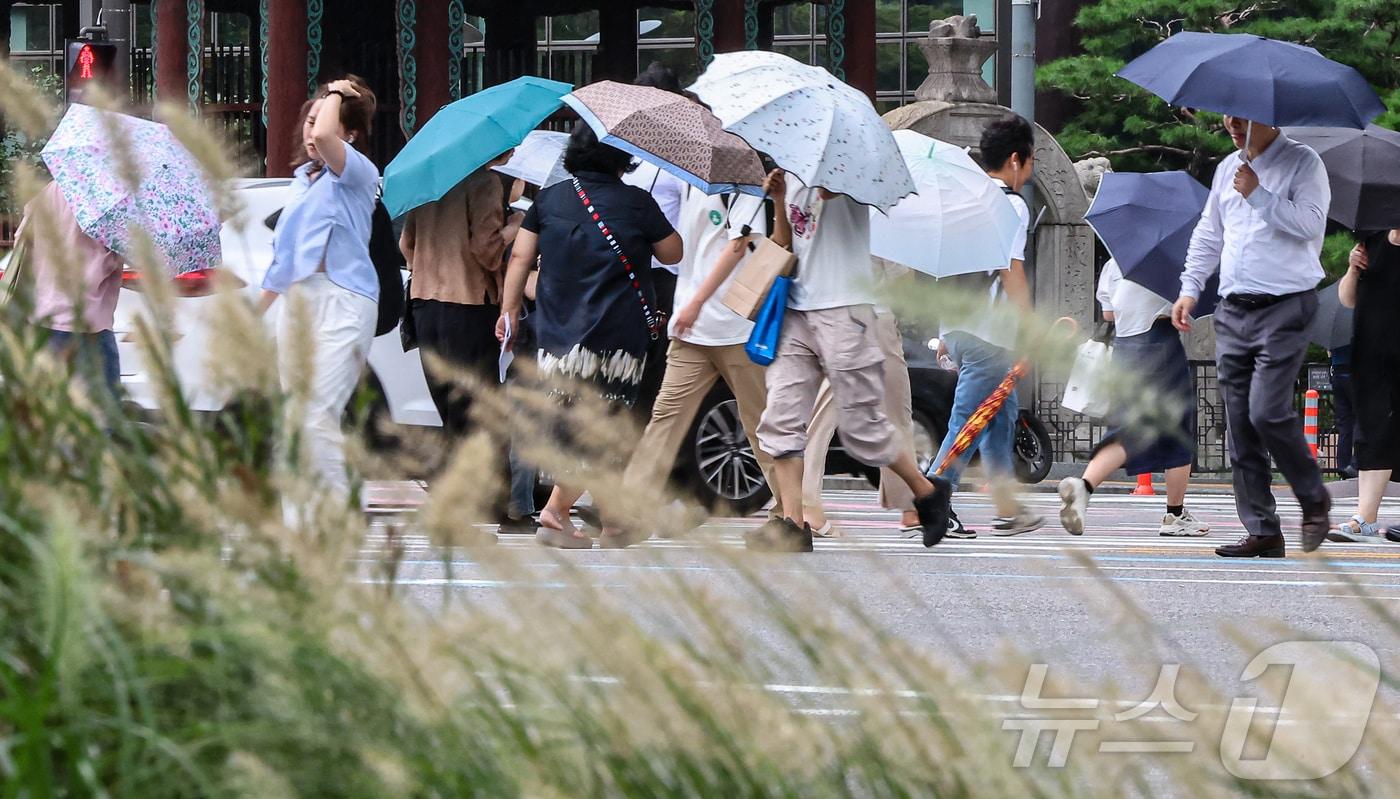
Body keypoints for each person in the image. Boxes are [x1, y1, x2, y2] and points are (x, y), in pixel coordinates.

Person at [496, 125, 682, 549]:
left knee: (574, 425)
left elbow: (522, 255)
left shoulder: (550, 199)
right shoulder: (637, 202)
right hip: (616, 339)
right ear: (623, 159)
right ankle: (556, 511)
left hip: (557, 335)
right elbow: (673, 253)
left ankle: (614, 522)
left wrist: (509, 311)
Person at [748, 169, 944, 553]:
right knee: (780, 419)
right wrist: (778, 200)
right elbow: (784, 244)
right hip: (796, 311)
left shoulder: (850, 172)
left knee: (863, 427)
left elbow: (833, 191)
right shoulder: (792, 177)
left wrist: (817, 172)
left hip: (845, 311)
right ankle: (792, 522)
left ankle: (928, 492)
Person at [1172, 116, 1332, 558]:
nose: (1231, 123)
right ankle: (1263, 529)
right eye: (1227, 113)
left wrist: (1258, 194)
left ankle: (1314, 498)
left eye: (1243, 115)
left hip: (1285, 304)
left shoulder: (1304, 163)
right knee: (1239, 424)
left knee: (1266, 412)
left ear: (1271, 116)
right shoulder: (1226, 168)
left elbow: (1310, 225)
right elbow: (1209, 233)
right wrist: (1189, 288)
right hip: (1233, 307)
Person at [604, 185, 782, 543]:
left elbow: (739, 246)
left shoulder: (744, 187)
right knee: (665, 417)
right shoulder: (692, 185)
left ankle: (792, 510)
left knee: (758, 421)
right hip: (690, 331)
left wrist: (696, 303)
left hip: (733, 326)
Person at [259, 78, 384, 516]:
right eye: (309, 122)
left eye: (324, 123)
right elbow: (284, 260)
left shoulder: (358, 174)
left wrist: (335, 92)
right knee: (295, 419)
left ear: (350, 134)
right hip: (298, 302)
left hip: (345, 301)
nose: (313, 133)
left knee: (318, 415)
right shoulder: (299, 184)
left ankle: (341, 508)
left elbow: (329, 136)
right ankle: (298, 522)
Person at [924, 114, 1044, 540]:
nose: (1029, 172)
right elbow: (1012, 272)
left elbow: (950, 270)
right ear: (1015, 160)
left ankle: (1009, 506)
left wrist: (944, 332)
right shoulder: (1010, 206)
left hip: (959, 328)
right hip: (989, 335)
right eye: (1030, 162)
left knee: (1001, 418)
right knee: (969, 422)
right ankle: (935, 497)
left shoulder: (965, 202)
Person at [1057, 259, 1210, 537]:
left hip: (1125, 346)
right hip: (1159, 341)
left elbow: (1109, 315)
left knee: (1128, 426)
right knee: (1176, 430)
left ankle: (1085, 486)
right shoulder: (1175, 261)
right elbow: (1185, 305)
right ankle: (1173, 514)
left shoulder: (1113, 264)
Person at [399, 151, 522, 442]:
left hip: (424, 305)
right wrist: (513, 227)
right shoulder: (485, 183)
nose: (514, 149)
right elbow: (486, 250)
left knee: (447, 406)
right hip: (468, 306)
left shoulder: (430, 185)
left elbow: (407, 244)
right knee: (476, 410)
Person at [800, 258, 924, 537]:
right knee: (895, 413)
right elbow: (903, 285)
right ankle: (910, 508)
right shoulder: (881, 220)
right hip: (871, 321)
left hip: (828, 317)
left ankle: (805, 505)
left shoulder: (832, 219)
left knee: (821, 417)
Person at [625, 62, 691, 415]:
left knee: (656, 361)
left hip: (667, 272)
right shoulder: (628, 151)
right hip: (627, 266)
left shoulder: (685, 155)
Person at [21, 181, 124, 400]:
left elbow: (22, 238)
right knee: (102, 416)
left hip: (43, 319)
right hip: (88, 327)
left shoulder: (51, 189)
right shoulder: (114, 198)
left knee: (49, 413)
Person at [1330, 231, 1399, 542]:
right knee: (1371, 430)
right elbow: (1347, 299)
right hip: (1370, 350)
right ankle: (1364, 517)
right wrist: (1352, 268)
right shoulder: (1372, 241)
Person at [1329, 344, 1358, 479]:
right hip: (1355, 372)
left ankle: (1342, 466)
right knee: (1361, 420)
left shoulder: (1334, 332)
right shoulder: (1354, 327)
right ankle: (1356, 463)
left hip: (1337, 373)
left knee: (1344, 424)